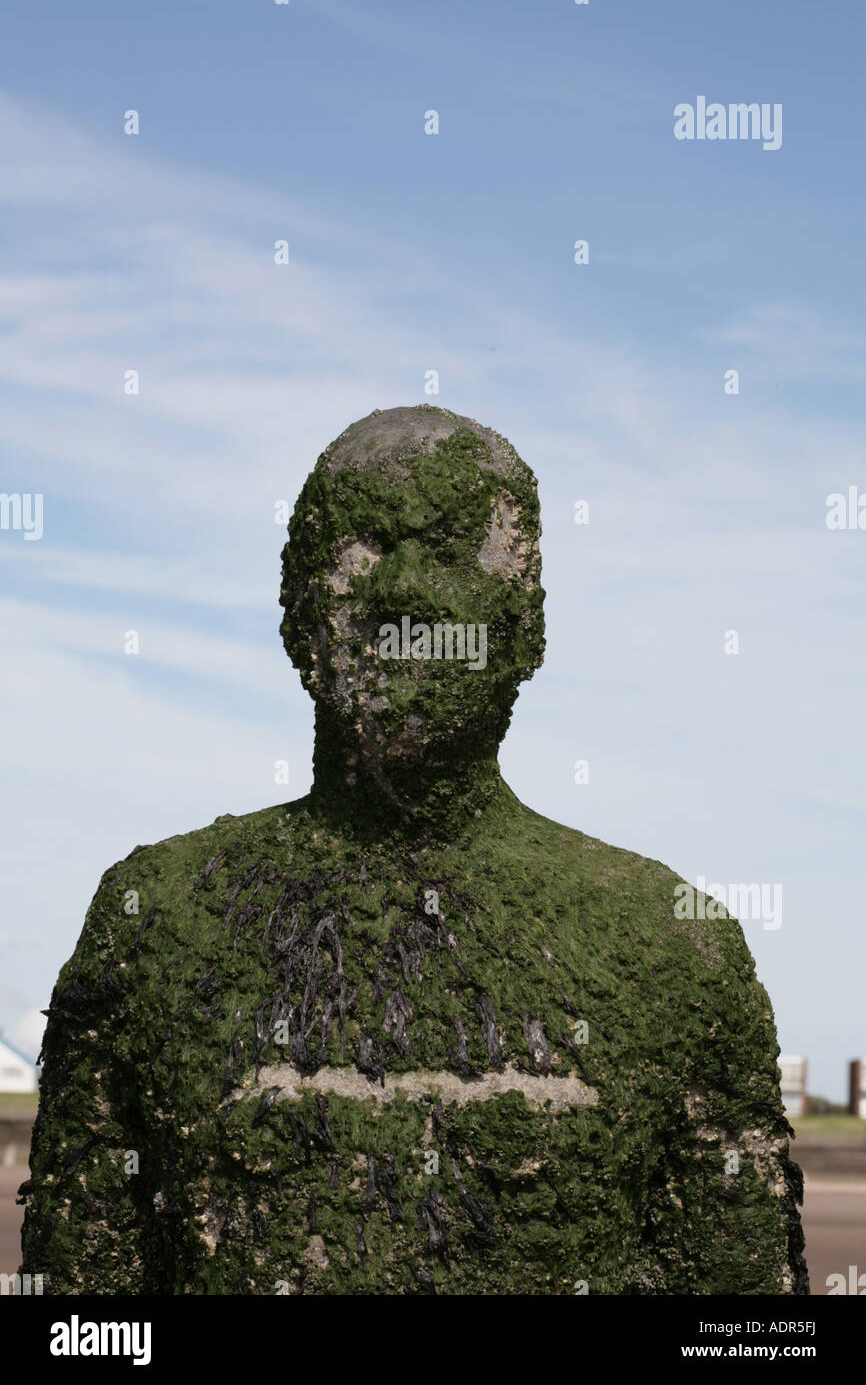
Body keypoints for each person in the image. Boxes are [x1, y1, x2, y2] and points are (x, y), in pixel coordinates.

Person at [20, 404, 808, 1294]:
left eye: (449, 543)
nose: (405, 595)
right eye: (362, 545)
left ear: (526, 628)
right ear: (295, 616)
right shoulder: (154, 920)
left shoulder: (672, 945)